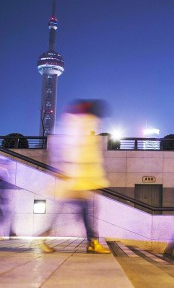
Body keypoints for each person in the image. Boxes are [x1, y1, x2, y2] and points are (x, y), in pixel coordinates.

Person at [41, 99, 111, 254]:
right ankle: (91, 242)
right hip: (77, 178)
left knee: (84, 210)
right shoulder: (80, 124)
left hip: (79, 179)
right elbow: (78, 150)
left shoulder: (80, 123)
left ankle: (91, 241)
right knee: (87, 209)